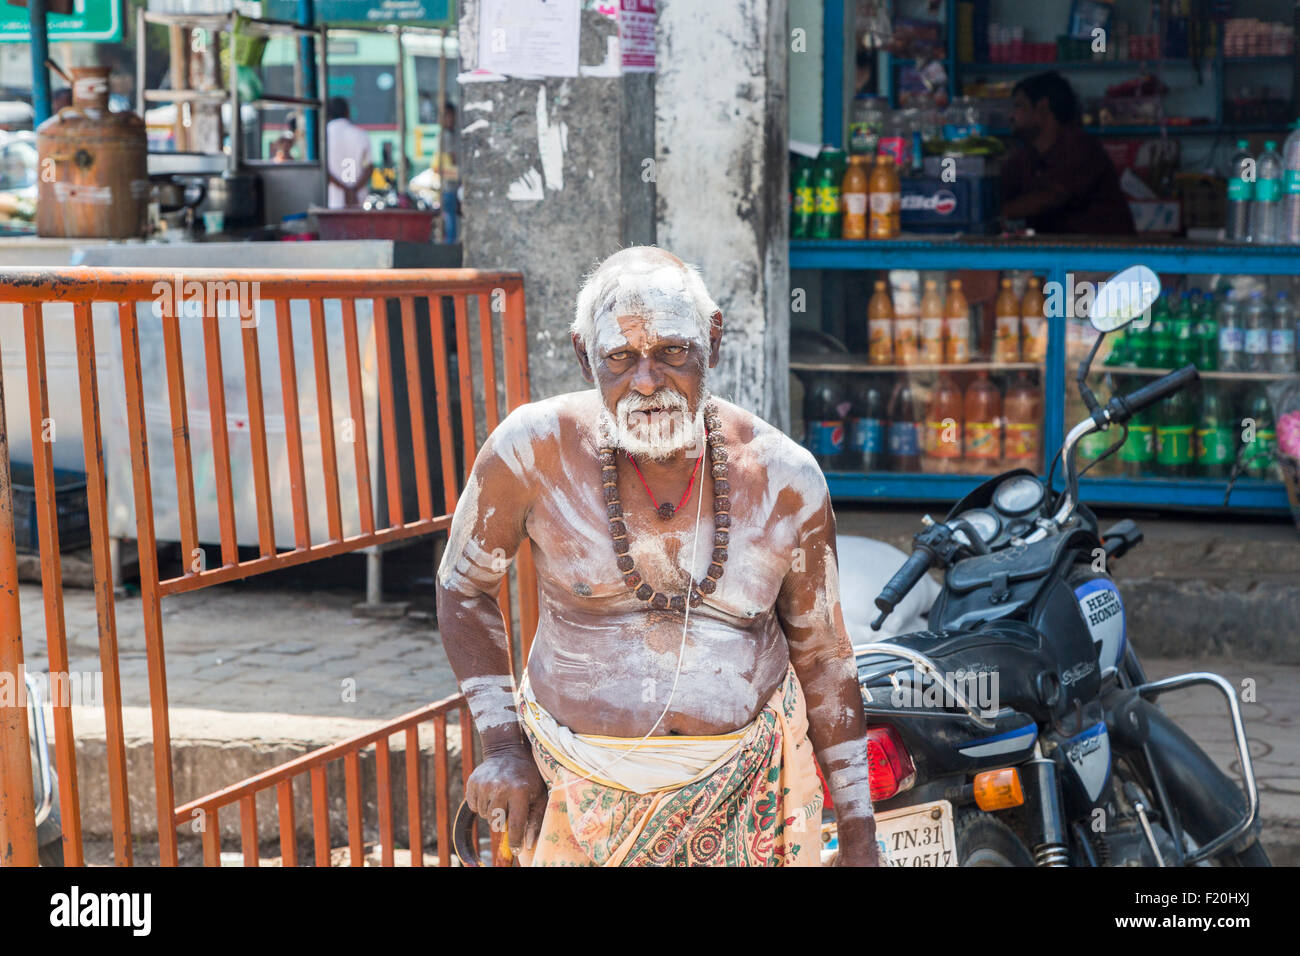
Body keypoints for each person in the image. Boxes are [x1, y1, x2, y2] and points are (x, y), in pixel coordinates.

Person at [437, 246, 880, 867]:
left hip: (747, 797)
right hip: (573, 792)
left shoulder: (785, 478)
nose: (647, 382)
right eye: (620, 358)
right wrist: (505, 745)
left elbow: (827, 657)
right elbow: (463, 588)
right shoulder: (530, 451)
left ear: (714, 341)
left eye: (673, 352)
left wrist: (860, 834)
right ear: (582, 354)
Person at [1000, 71, 1135, 235]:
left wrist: (997, 212)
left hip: (1106, 255)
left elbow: (1051, 197)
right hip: (1061, 255)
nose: (1011, 115)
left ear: (1042, 108)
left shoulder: (1081, 147)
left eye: (1018, 106)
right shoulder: (1027, 155)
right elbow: (1001, 186)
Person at [325, 96, 372, 208]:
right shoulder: (361, 134)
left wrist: (345, 189)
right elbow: (369, 167)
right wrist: (353, 190)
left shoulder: (322, 136)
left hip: (331, 200)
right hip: (358, 200)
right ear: (347, 112)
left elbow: (323, 170)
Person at [439, 102, 460, 242]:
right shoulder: (444, 136)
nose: (449, 119)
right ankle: (450, 243)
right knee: (450, 217)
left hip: (456, 184)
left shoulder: (454, 135)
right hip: (449, 184)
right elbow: (452, 159)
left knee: (453, 217)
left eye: (450, 116)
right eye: (446, 116)